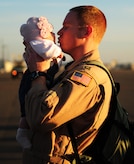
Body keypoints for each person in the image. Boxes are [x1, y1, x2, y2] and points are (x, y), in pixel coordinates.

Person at [19, 5, 134, 164]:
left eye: (66, 27)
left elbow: (42, 118)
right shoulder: (74, 71)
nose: (59, 32)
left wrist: (39, 73)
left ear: (85, 31)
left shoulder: (88, 78)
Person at [16, 16, 64, 150]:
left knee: (26, 109)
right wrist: (59, 52)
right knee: (28, 109)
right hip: (34, 77)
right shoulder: (39, 44)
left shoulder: (35, 44)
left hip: (34, 76)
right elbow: (49, 51)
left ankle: (23, 131)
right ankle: (22, 132)